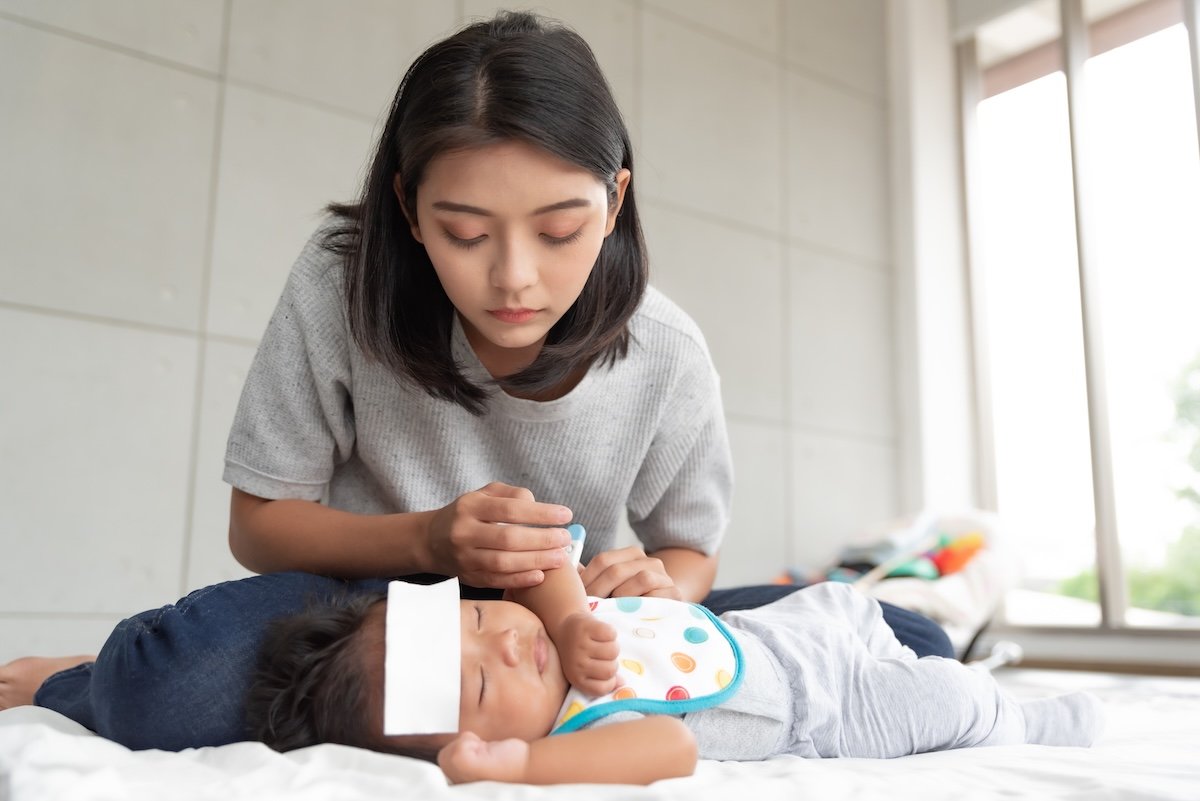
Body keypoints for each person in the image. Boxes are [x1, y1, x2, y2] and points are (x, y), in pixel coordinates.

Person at [0, 10, 953, 749]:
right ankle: (81, 675)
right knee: (170, 681)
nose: (514, 279)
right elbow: (260, 526)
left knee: (912, 644)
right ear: (411, 210)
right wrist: (427, 537)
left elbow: (690, 555)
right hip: (374, 615)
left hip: (572, 627)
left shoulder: (666, 350)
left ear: (615, 199)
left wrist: (660, 582)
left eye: (559, 228)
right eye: (464, 232)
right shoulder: (343, 287)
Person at [246, 564, 1103, 786]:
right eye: (477, 684)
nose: (505, 644)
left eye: (476, 619)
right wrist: (525, 768)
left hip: (778, 628)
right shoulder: (579, 731)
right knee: (946, 695)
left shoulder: (551, 623)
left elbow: (545, 560)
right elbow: (671, 744)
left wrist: (574, 614)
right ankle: (1025, 720)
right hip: (828, 707)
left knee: (852, 599)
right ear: (477, 740)